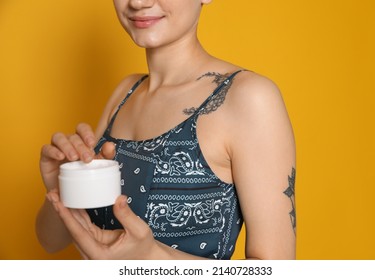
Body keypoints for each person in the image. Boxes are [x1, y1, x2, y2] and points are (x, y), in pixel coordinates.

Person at [36, 0, 296, 260]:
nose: (139, 2)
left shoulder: (248, 97)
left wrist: (151, 256)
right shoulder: (125, 92)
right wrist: (61, 190)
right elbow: (50, 241)